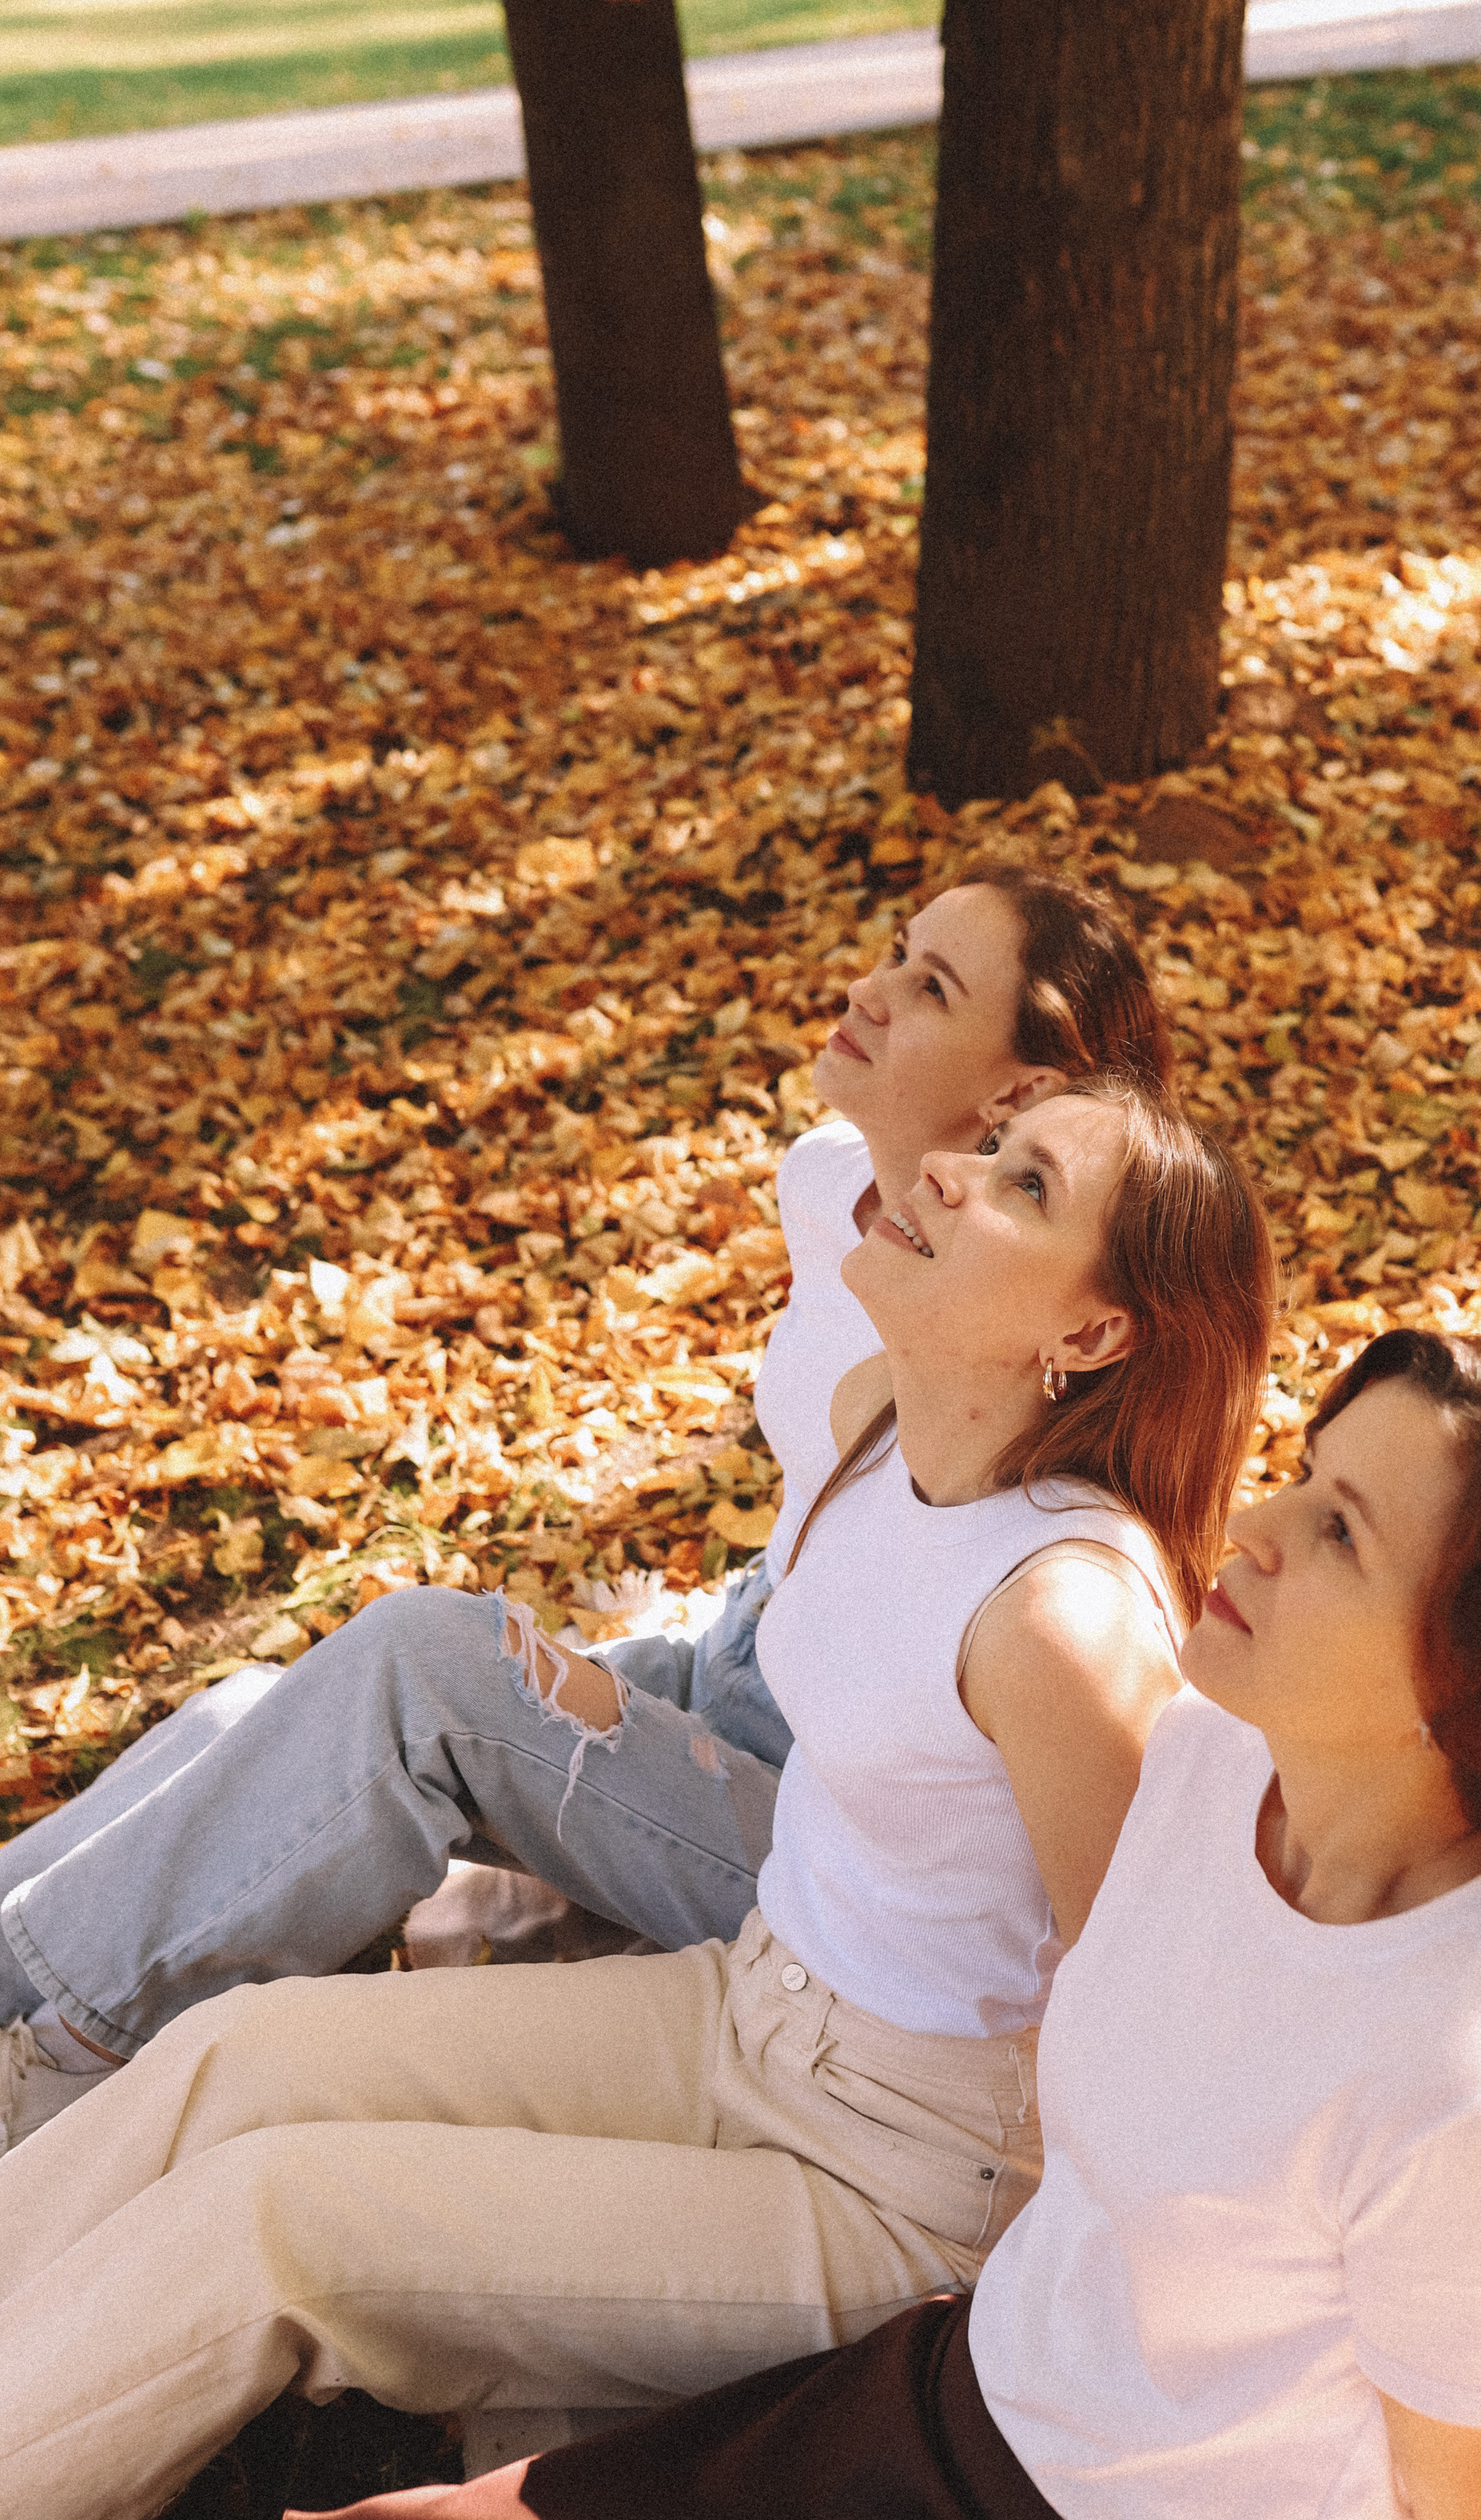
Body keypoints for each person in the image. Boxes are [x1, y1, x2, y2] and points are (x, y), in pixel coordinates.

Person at [0, 1327, 1481, 2520]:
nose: (1260, 1526)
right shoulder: (1208, 1775)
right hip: (930, 2431)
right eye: (1303, 1471)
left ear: (1474, 1682)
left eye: (1343, 1532)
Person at [0, 1077, 1274, 2520]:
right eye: (988, 1147)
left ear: (1093, 1335)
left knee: (281, 2219)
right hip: (742, 2005)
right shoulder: (882, 1427)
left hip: (902, 2190)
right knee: (246, 2055)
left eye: (1023, 1186)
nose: (944, 1173)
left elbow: (1166, 2022)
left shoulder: (1063, 1622)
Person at [0, 864, 1172, 2142]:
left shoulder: (1007, 1361)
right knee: (255, 1712)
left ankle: (54, 2051)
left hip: (831, 1820)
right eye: (895, 952)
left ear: (1020, 1094)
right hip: (741, 1643)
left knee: (420, 1674)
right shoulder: (828, 1180)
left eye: (930, 988)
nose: (867, 992)